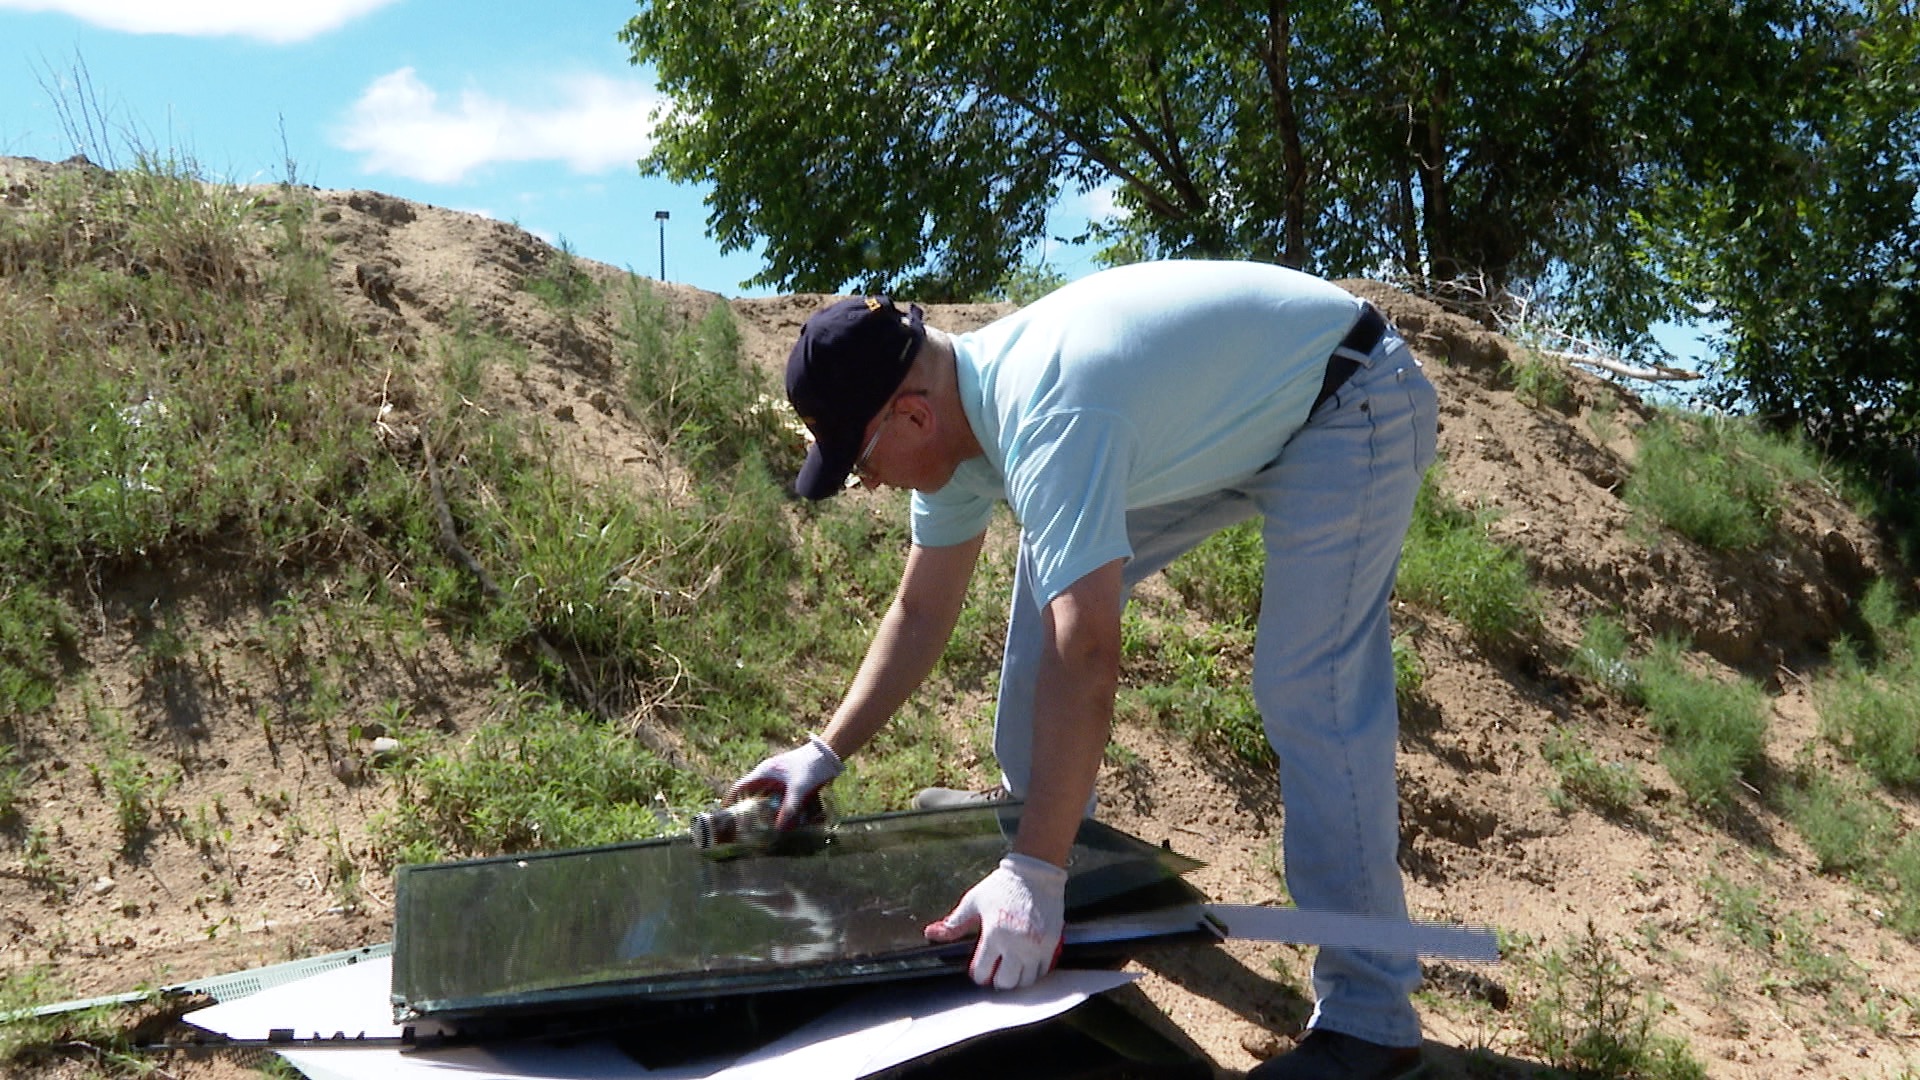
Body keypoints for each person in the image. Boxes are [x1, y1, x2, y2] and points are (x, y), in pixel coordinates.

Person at [729, 259, 1438, 1080]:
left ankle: (1371, 1014)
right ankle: (1056, 840)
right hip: (1233, 417)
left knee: (1307, 686)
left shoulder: (1048, 413)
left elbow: (1089, 653)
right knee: (1051, 573)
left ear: (912, 415)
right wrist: (825, 751)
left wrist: (1033, 874)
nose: (872, 482)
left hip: (1348, 399)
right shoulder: (962, 420)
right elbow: (921, 612)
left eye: (862, 464)